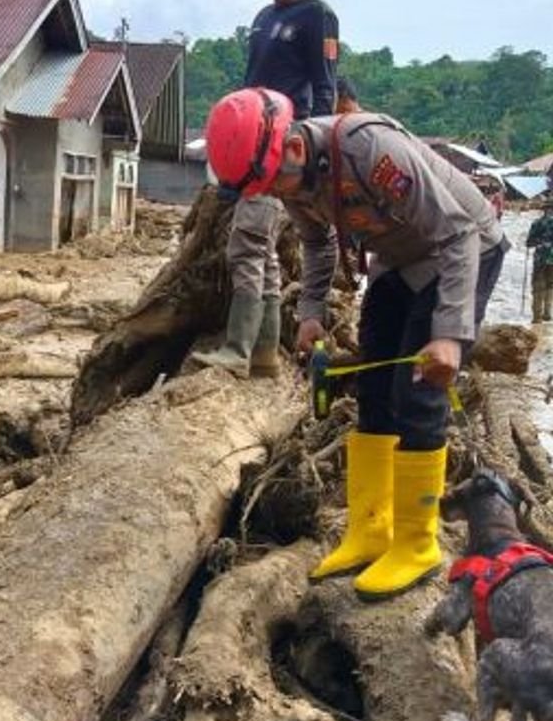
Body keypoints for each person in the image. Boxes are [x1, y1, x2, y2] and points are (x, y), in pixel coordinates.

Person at [205, 88, 507, 600]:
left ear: (294, 149)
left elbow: (456, 235)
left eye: (275, 183)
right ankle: (370, 529)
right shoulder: (289, 179)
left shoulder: (372, 150)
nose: (279, 196)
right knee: (372, 388)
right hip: (397, 259)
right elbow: (318, 242)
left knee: (418, 390)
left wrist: (450, 336)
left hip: (461, 250)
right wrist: (310, 314)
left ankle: (416, 543)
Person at [194, 0, 340, 379]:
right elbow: (248, 93)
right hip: (249, 153)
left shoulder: (316, 16)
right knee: (265, 254)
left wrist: (312, 156)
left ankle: (238, 351)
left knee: (247, 246)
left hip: (283, 154)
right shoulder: (262, 19)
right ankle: (263, 356)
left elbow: (324, 89)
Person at [529, 198, 553, 324]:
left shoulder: (537, 223)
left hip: (540, 258)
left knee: (538, 286)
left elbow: (529, 243)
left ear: (544, 209)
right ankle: (547, 313)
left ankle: (537, 317)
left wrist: (539, 242)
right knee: (550, 285)